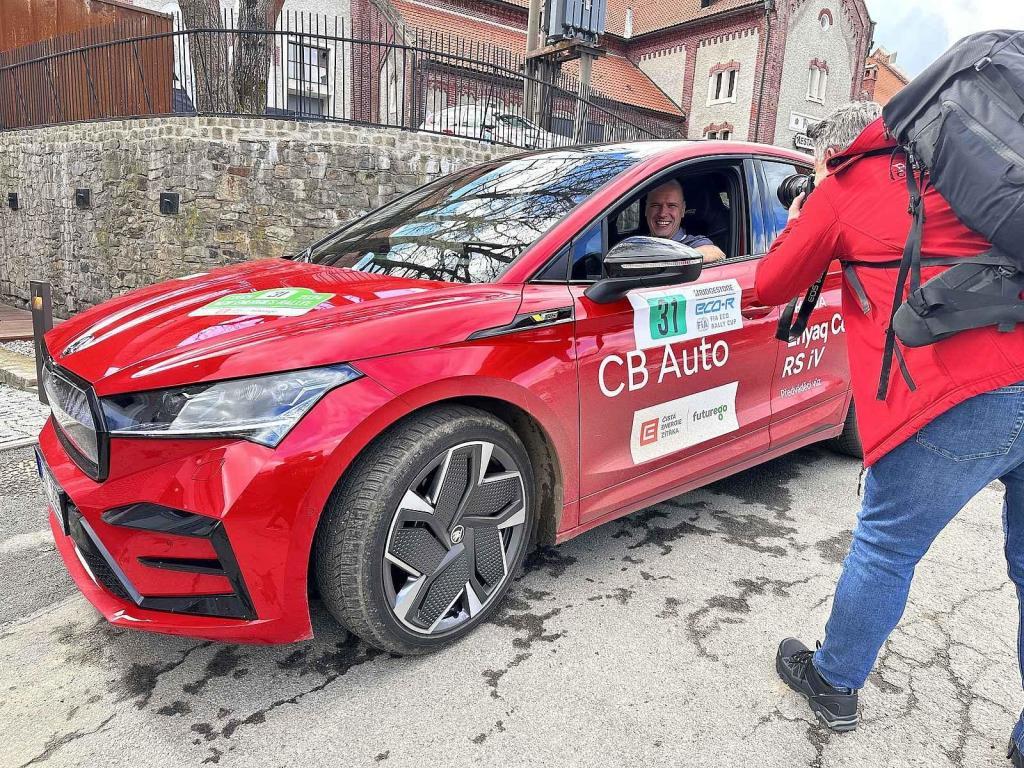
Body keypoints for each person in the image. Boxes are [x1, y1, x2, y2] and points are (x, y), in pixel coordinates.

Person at [754, 100, 1024, 759]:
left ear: (832, 151)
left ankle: (834, 681)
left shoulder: (849, 185)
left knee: (886, 547)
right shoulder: (971, 175)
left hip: (948, 398)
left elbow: (769, 283)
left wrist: (807, 210)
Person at [644, 179, 726, 262]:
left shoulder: (693, 244)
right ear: (646, 209)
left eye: (671, 206)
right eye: (655, 205)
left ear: (682, 210)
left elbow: (715, 253)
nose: (662, 214)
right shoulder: (636, 242)